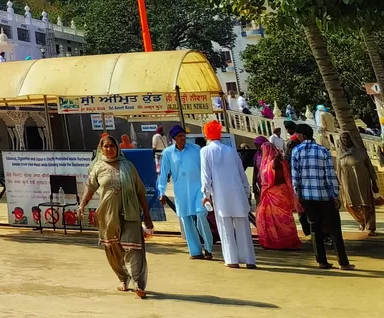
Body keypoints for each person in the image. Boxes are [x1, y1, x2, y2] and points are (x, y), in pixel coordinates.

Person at [80, 133, 153, 298]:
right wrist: (82, 204)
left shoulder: (128, 166)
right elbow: (90, 187)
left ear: (117, 148)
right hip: (108, 215)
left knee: (134, 248)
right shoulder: (97, 167)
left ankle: (138, 283)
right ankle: (123, 277)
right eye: (105, 146)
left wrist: (147, 215)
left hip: (131, 213)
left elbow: (140, 191)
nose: (109, 149)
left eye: (111, 146)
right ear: (101, 149)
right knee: (114, 249)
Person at [288, 122, 351, 269]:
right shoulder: (323, 151)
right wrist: (335, 194)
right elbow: (330, 174)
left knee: (314, 228)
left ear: (302, 135)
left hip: (307, 197)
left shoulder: (296, 151)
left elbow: (295, 176)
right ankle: (343, 262)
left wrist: (298, 194)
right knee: (334, 228)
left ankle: (321, 261)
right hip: (325, 195)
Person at [199, 120, 256, 268]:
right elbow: (241, 173)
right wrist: (246, 190)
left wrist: (206, 194)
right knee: (243, 227)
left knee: (225, 228)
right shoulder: (231, 150)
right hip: (238, 193)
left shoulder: (205, 151)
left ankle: (232, 260)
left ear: (206, 135)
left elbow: (206, 176)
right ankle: (249, 260)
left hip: (221, 195)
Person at [157, 126, 212, 260]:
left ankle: (208, 248)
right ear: (174, 138)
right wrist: (161, 192)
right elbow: (163, 174)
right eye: (180, 136)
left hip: (198, 190)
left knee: (201, 216)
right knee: (186, 220)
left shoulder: (196, 149)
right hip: (181, 192)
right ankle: (195, 251)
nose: (183, 138)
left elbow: (205, 169)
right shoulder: (168, 153)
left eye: (183, 135)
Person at [253, 136, 300, 250]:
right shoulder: (278, 161)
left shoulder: (273, 163)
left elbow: (272, 173)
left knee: (275, 217)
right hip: (280, 192)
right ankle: (283, 241)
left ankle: (277, 241)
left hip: (275, 192)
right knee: (281, 217)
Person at [335, 130, 376, 235]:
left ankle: (370, 227)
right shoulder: (340, 155)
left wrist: (374, 182)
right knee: (349, 205)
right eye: (343, 138)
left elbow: (369, 166)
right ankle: (361, 221)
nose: (346, 140)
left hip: (363, 181)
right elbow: (338, 171)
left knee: (366, 204)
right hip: (347, 183)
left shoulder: (360, 151)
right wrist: (339, 185)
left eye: (347, 138)